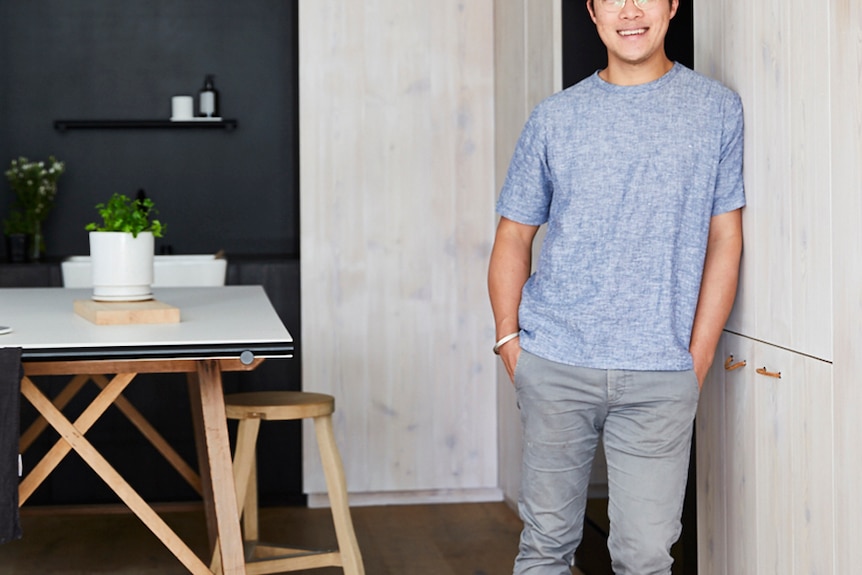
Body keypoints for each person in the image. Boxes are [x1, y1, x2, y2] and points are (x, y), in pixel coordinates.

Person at [487, 0, 744, 573]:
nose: (631, 11)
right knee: (547, 546)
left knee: (646, 556)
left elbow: (726, 239)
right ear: (594, 12)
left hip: (661, 374)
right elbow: (512, 236)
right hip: (555, 362)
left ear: (672, 6)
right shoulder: (555, 117)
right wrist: (511, 343)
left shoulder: (716, 109)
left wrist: (695, 360)